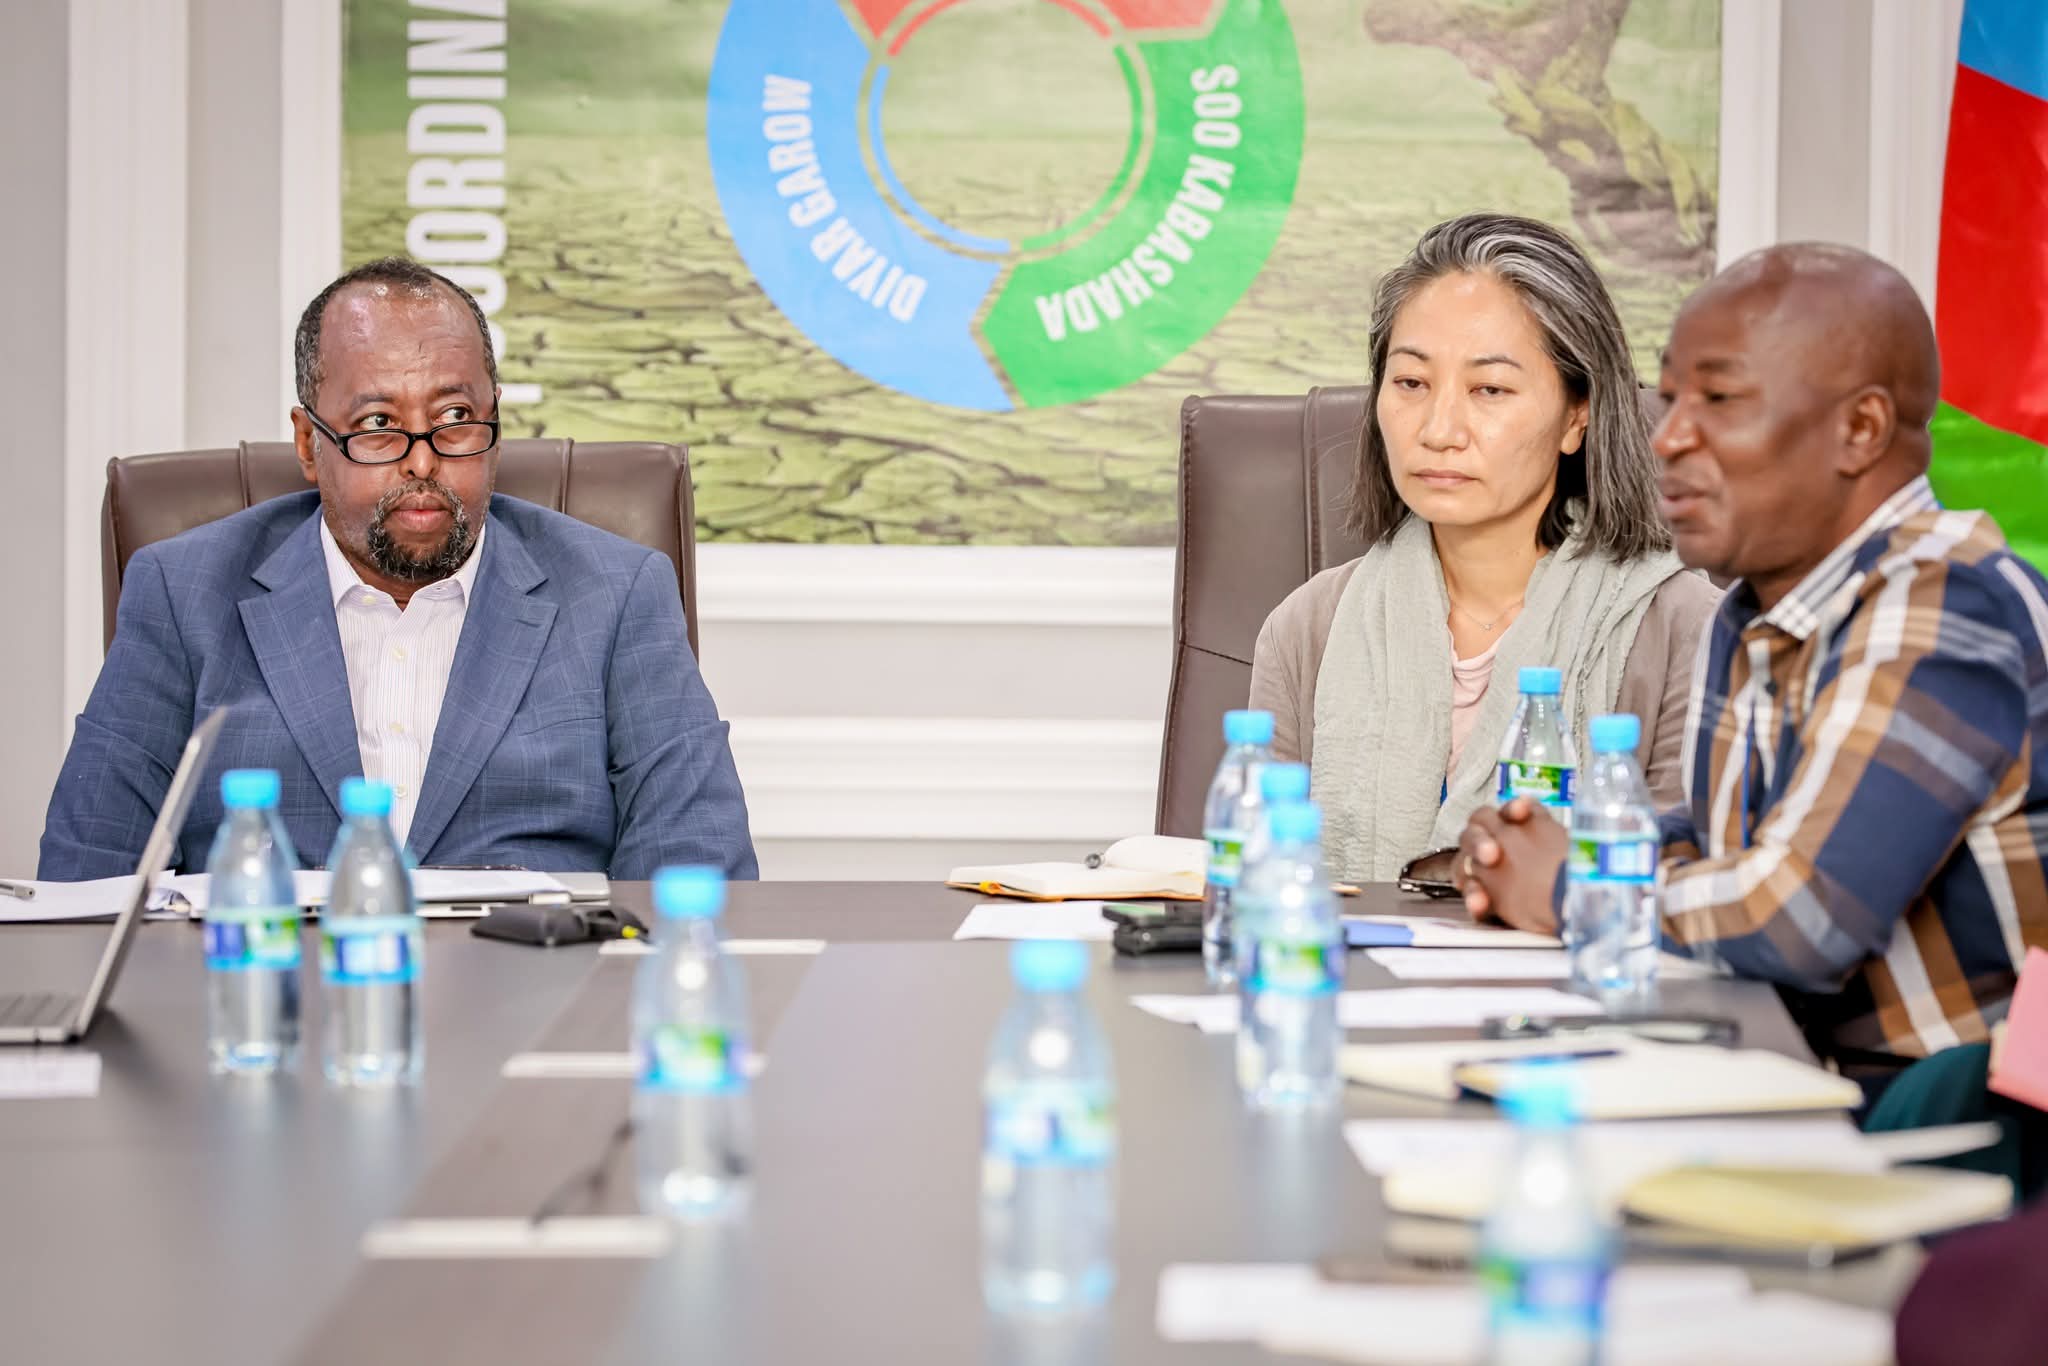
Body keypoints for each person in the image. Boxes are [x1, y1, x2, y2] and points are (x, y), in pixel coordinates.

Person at [1457, 242, 2048, 1078]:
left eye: (1720, 399)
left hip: (1949, 1112)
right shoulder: (1758, 607)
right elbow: (1719, 843)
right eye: (1670, 399)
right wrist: (1540, 848)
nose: (1668, 437)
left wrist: (1567, 887)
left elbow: (1802, 919)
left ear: (1860, 429)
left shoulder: (1946, 600)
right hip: (1789, 1067)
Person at [41, 257, 756, 881]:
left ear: (496, 422)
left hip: (539, 983)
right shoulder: (184, 593)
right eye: (379, 425)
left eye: (456, 418)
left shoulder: (616, 593)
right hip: (271, 984)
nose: (422, 461)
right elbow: (89, 877)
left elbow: (696, 865)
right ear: (308, 442)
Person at [1250, 212, 1718, 883]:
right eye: (1411, 383)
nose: (1439, 430)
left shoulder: (1682, 628)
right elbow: (1259, 880)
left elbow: (1683, 889)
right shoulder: (1308, 628)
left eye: (1489, 390)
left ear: (1577, 414)